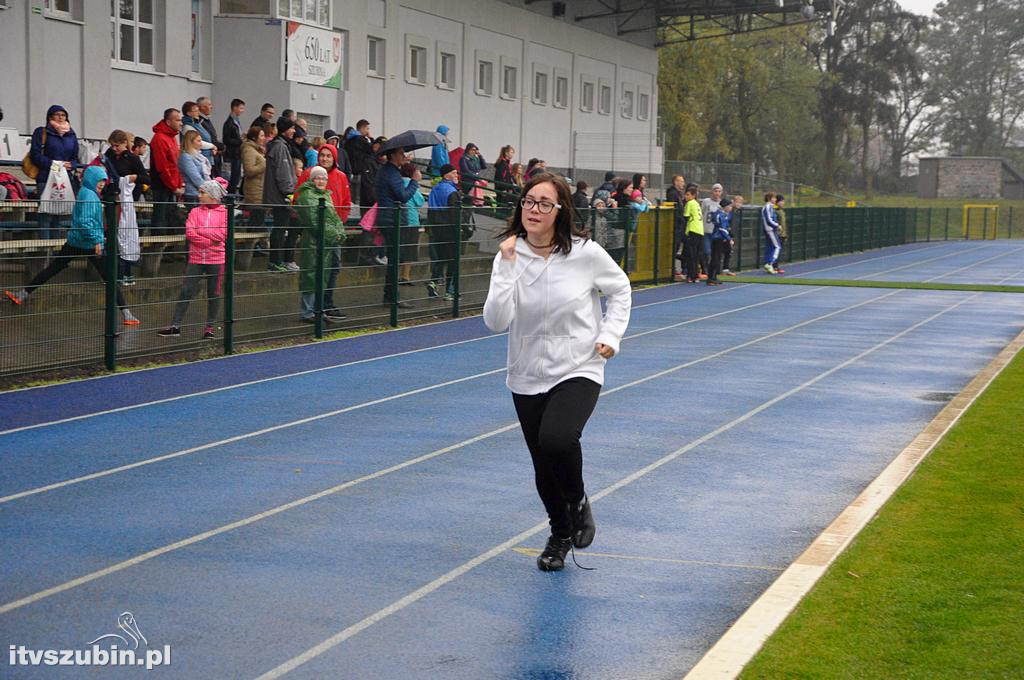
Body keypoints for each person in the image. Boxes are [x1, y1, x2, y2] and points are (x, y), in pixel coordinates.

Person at [483, 172, 631, 572]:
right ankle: (559, 534)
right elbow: (496, 321)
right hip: (526, 371)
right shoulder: (508, 256)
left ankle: (579, 500)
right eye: (529, 201)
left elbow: (620, 290)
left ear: (560, 210)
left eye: (544, 203)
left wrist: (611, 334)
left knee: (558, 438)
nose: (533, 209)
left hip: (579, 365)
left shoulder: (585, 253)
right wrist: (509, 267)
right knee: (543, 465)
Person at [5, 165, 140, 325]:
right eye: (99, 180)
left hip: (75, 240)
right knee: (109, 278)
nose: (102, 184)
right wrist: (97, 240)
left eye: (103, 180)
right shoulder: (90, 196)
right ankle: (127, 314)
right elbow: (86, 222)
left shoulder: (85, 192)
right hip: (89, 243)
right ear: (91, 179)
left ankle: (22, 294)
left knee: (53, 268)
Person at [157, 178, 229, 339]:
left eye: (202, 192)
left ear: (212, 195)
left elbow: (223, 234)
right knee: (186, 291)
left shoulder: (225, 213)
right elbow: (190, 232)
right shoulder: (195, 212)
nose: (199, 195)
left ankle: (210, 327)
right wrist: (210, 240)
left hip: (216, 260)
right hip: (196, 258)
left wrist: (201, 233)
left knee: (214, 293)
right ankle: (175, 325)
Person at [293, 143, 352, 317]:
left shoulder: (340, 176)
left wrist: (338, 226)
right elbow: (301, 203)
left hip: (333, 232)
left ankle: (326, 302)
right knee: (312, 270)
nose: (325, 158)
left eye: (328, 156)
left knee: (332, 267)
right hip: (317, 235)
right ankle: (312, 310)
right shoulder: (308, 175)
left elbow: (344, 204)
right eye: (322, 155)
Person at [99, 129, 148, 285]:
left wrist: (135, 178)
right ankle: (113, 273)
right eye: (112, 146)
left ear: (124, 144)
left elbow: (146, 177)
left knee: (125, 237)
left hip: (125, 201)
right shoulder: (109, 155)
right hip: (111, 200)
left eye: (117, 146)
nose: (114, 149)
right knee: (112, 236)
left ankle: (125, 272)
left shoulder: (132, 158)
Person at [376, 145, 420, 308]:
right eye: (401, 153)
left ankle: (391, 295)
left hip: (390, 218)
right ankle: (392, 297)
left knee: (395, 258)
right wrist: (414, 181)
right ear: (393, 155)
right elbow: (403, 196)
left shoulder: (387, 172)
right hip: (392, 219)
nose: (404, 156)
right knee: (395, 259)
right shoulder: (391, 173)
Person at [30, 105, 80, 238]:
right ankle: (44, 250)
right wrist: (53, 164)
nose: (60, 117)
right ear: (50, 116)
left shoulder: (71, 134)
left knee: (58, 215)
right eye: (57, 114)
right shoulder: (42, 132)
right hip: (46, 177)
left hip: (65, 178)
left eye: (63, 115)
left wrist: (72, 165)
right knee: (46, 215)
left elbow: (75, 156)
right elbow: (35, 155)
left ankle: (55, 251)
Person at [263, 118, 298, 271]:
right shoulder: (280, 147)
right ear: (285, 129)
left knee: (279, 229)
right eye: (292, 128)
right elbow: (283, 174)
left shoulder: (278, 146)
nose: (294, 131)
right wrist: (290, 192)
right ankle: (276, 262)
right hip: (280, 196)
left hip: (277, 195)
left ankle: (277, 261)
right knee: (279, 229)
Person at [426, 163, 461, 300]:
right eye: (454, 173)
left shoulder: (435, 189)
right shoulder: (452, 192)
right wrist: (459, 229)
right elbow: (454, 214)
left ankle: (433, 282)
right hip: (449, 229)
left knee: (440, 258)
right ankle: (450, 291)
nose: (456, 176)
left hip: (436, 228)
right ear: (447, 175)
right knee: (453, 260)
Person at [149, 108, 186, 237]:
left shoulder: (171, 138)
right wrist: (173, 185)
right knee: (161, 218)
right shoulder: (160, 139)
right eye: (178, 120)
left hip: (171, 185)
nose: (181, 123)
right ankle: (157, 250)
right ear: (168, 122)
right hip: (162, 185)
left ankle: (168, 252)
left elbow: (176, 164)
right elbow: (163, 166)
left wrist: (179, 184)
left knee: (170, 217)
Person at [398, 162, 425, 285]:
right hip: (411, 220)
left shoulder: (397, 182)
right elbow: (419, 201)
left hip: (399, 220)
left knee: (399, 249)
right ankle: (405, 276)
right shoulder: (411, 184)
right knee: (409, 250)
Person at [240, 125, 267, 230]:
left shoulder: (256, 150)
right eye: (262, 135)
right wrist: (265, 164)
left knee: (259, 220)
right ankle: (251, 244)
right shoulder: (248, 150)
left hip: (260, 189)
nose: (264, 138)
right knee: (256, 221)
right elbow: (249, 170)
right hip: (254, 191)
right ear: (254, 137)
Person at [178, 130, 212, 209]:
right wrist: (209, 189)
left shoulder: (199, 156)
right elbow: (195, 177)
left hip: (201, 192)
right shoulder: (186, 157)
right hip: (193, 194)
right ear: (191, 142)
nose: (201, 143)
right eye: (198, 141)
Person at [345, 119, 373, 207]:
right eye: (367, 128)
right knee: (359, 199)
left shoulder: (348, 139)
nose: (368, 131)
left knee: (352, 199)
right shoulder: (360, 139)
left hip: (351, 171)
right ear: (362, 128)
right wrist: (371, 138)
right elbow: (372, 150)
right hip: (361, 171)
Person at [707, 198, 734, 285]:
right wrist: (729, 238)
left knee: (717, 258)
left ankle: (714, 277)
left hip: (720, 238)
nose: (731, 208)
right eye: (729, 206)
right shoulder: (720, 215)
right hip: (717, 238)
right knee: (715, 258)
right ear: (725, 206)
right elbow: (722, 228)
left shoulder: (724, 214)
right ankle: (711, 278)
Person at [665, 174, 687, 281]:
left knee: (677, 247)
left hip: (679, 225)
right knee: (674, 247)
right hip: (676, 225)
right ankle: (671, 269)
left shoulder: (679, 194)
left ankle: (674, 268)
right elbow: (674, 208)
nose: (683, 183)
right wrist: (680, 219)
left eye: (683, 181)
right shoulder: (672, 193)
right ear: (675, 182)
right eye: (681, 181)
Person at [196, 96, 224, 178]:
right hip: (208, 156)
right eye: (209, 105)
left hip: (214, 154)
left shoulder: (206, 120)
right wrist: (221, 146)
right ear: (202, 107)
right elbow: (208, 139)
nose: (211, 107)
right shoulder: (200, 122)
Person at [222, 98, 246, 194]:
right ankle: (229, 199)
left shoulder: (236, 121)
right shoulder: (229, 123)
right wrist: (240, 140)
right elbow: (226, 140)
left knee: (236, 177)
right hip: (232, 154)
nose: (242, 111)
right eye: (241, 108)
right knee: (232, 178)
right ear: (234, 108)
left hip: (237, 153)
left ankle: (231, 197)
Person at [181, 101, 216, 165]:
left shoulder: (197, 123)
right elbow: (197, 141)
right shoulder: (187, 127)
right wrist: (212, 146)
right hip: (197, 158)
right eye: (196, 111)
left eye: (198, 110)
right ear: (189, 113)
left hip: (206, 155)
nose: (198, 113)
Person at [700, 183, 723, 279]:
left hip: (716, 232)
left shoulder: (721, 204)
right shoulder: (706, 202)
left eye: (719, 191)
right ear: (712, 192)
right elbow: (701, 214)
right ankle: (706, 269)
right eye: (715, 191)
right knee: (706, 251)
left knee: (715, 253)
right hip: (706, 230)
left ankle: (713, 271)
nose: (717, 193)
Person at [683, 185, 703, 283]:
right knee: (695, 255)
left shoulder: (690, 203)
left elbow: (686, 216)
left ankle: (691, 276)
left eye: (688, 195)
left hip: (693, 230)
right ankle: (695, 275)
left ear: (693, 195)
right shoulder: (697, 203)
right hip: (700, 230)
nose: (685, 197)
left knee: (691, 254)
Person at [722, 194, 743, 275]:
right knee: (724, 251)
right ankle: (722, 269)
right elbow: (727, 221)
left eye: (740, 203)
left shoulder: (738, 212)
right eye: (737, 202)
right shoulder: (730, 212)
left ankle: (726, 269)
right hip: (726, 234)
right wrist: (728, 231)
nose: (738, 204)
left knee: (729, 252)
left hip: (732, 235)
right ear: (733, 202)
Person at [761, 192, 781, 275]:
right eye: (774, 198)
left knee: (770, 247)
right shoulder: (768, 207)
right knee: (777, 246)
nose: (775, 199)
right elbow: (769, 220)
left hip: (770, 230)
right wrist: (777, 226)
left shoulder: (770, 207)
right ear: (769, 198)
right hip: (770, 230)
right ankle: (770, 263)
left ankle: (768, 264)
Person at [773, 194, 787, 274]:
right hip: (777, 234)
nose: (783, 203)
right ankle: (774, 266)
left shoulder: (781, 210)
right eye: (781, 201)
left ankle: (775, 266)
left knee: (779, 251)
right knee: (776, 250)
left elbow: (783, 224)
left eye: (783, 201)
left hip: (782, 234)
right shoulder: (775, 210)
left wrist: (785, 234)